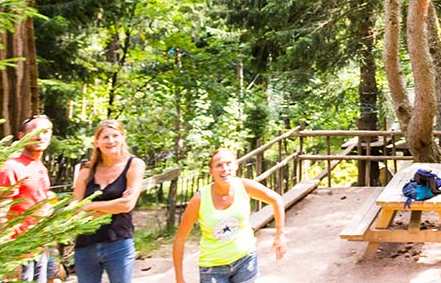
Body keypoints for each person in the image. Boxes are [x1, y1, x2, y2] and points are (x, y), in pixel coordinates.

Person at [172, 148, 287, 283]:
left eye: (228, 163)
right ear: (211, 171)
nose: (225, 169)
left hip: (245, 260)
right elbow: (180, 239)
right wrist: (179, 278)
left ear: (236, 166)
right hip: (213, 268)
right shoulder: (200, 199)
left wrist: (280, 235)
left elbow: (276, 199)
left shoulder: (244, 186)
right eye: (219, 165)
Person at [71, 119, 146, 283]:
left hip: (118, 243)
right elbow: (74, 209)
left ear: (123, 137)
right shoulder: (86, 170)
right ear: (97, 142)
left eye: (115, 136)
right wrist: (113, 206)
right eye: (105, 137)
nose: (111, 141)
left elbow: (127, 204)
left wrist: (89, 206)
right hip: (86, 244)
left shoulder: (134, 165)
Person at [0, 114, 54, 282]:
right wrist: (8, 257)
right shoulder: (10, 168)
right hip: (18, 251)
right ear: (21, 136)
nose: (41, 136)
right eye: (35, 131)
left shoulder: (40, 167)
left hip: (39, 248)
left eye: (46, 131)